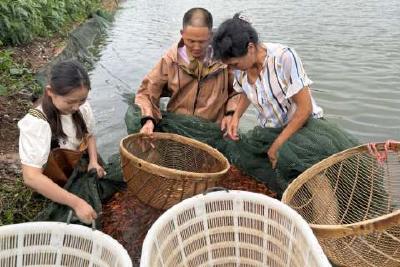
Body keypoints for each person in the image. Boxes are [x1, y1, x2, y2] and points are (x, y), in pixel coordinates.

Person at [212, 13, 358, 196]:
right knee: (248, 157)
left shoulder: (284, 58)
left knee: (308, 173)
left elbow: (305, 109)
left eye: (234, 63)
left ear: (250, 48)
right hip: (270, 129)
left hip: (303, 128)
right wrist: (236, 116)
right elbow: (246, 92)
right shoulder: (242, 69)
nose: (232, 69)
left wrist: (279, 144)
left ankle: (321, 219)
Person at [18, 60, 104, 224]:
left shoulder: (81, 108)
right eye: (70, 102)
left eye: (82, 100)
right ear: (50, 91)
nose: (76, 107)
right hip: (56, 181)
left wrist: (93, 161)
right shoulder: (36, 123)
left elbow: (90, 135)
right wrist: (76, 203)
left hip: (80, 166)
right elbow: (31, 177)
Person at [134, 7, 238, 135]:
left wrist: (230, 113)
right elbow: (146, 93)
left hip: (212, 131)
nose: (196, 47)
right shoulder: (170, 60)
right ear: (182, 34)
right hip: (177, 128)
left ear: (211, 35)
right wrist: (149, 119)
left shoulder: (224, 60)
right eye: (191, 41)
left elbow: (238, 91)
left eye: (202, 41)